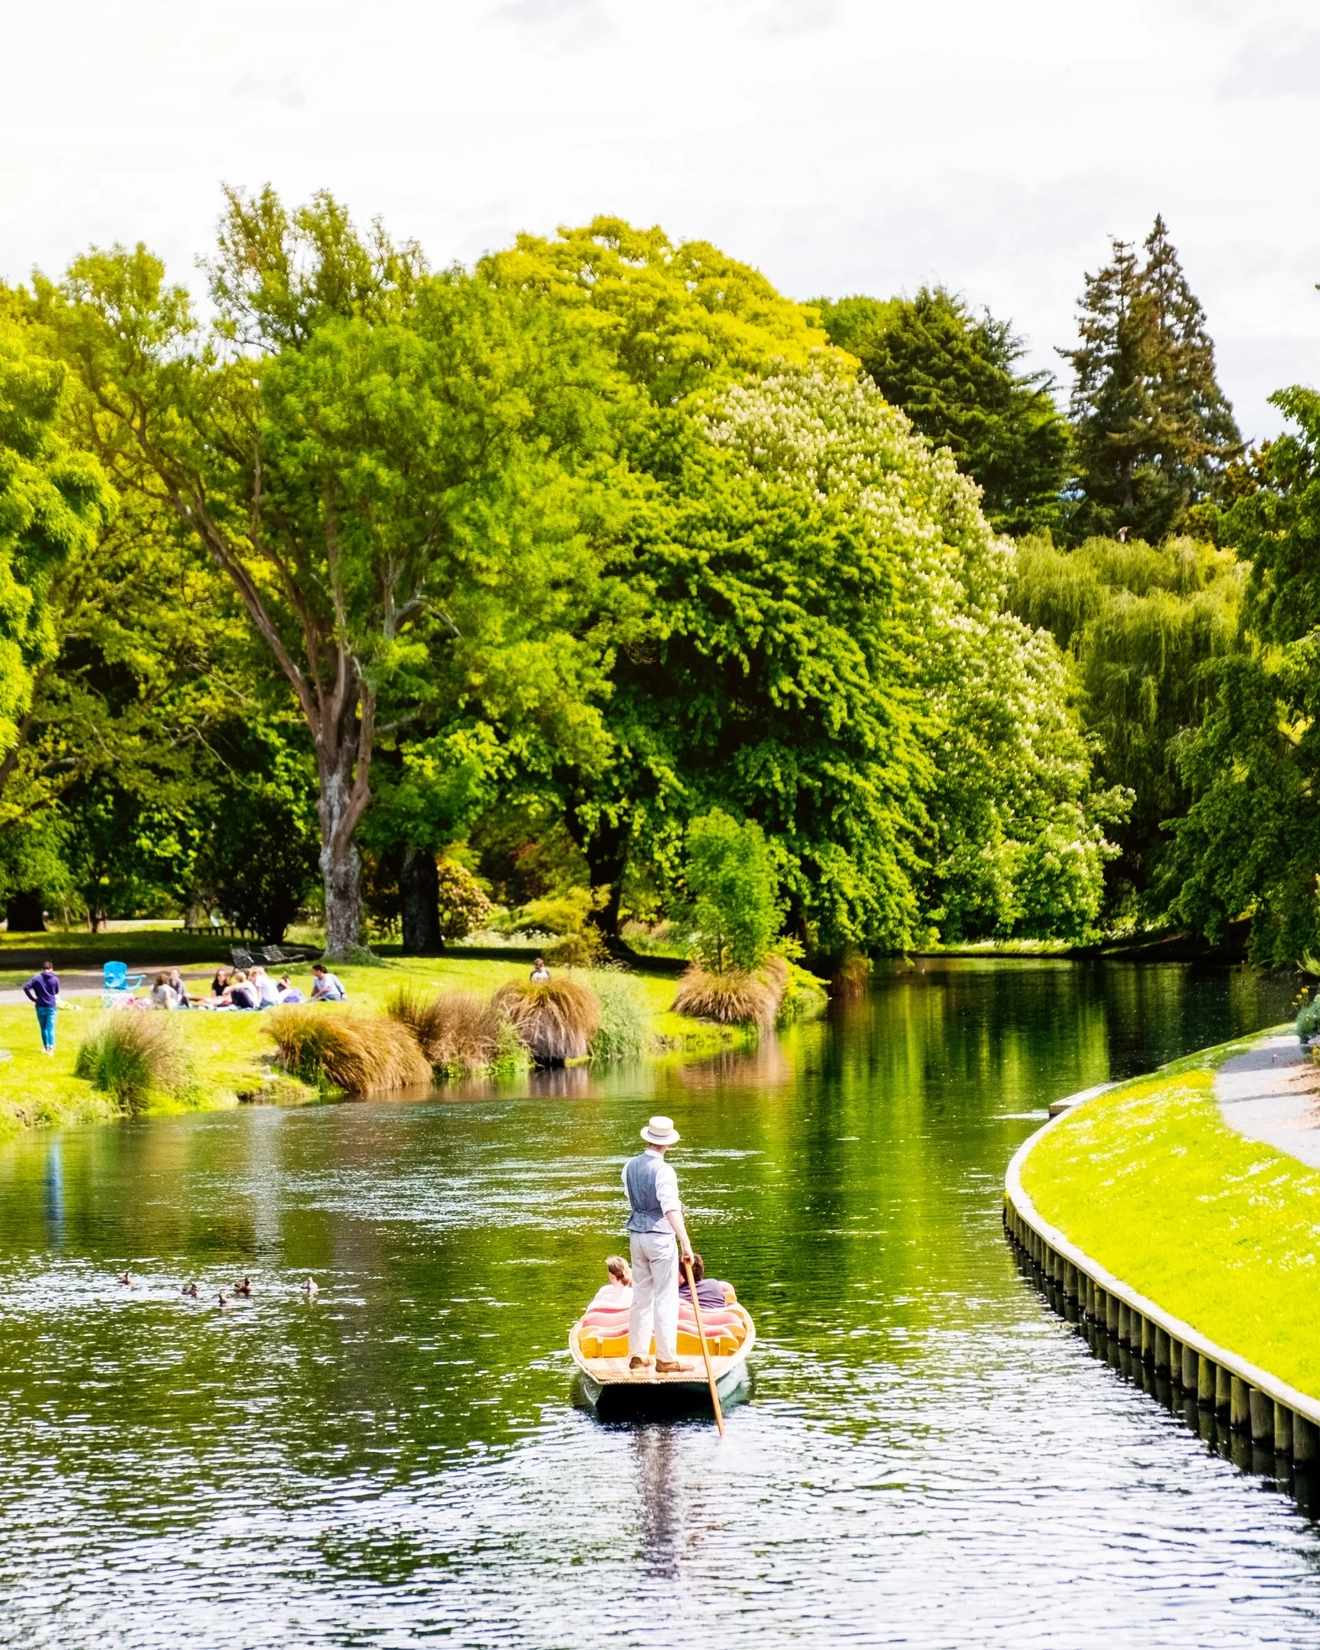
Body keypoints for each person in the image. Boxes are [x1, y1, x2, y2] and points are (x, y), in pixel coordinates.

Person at [622, 1115, 694, 1374]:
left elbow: (631, 1196)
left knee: (641, 1294)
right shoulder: (664, 1170)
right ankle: (666, 1359)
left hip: (636, 1236)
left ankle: (638, 1355)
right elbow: (670, 1207)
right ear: (668, 1144)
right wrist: (685, 1242)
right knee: (665, 1297)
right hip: (660, 1238)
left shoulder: (629, 1165)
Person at [23, 960, 59, 1055]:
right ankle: (51, 1048)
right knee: (50, 1028)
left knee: (43, 1028)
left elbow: (26, 987)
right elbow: (56, 991)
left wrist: (33, 998)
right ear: (51, 969)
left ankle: (45, 1046)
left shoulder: (36, 978)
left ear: (42, 969)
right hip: (51, 1005)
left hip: (40, 1005)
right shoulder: (55, 979)